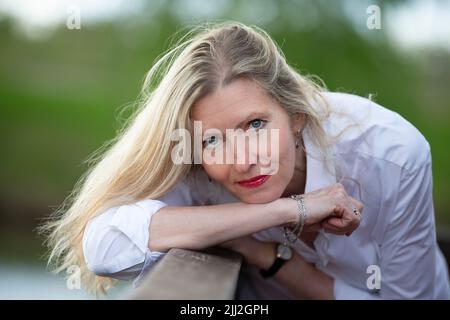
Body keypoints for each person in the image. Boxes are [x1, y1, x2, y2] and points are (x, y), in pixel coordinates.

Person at [42, 21, 450, 299]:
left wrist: (263, 254)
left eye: (255, 125)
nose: (243, 160)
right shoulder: (196, 165)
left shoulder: (391, 155)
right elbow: (104, 245)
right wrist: (288, 210)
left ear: (296, 115)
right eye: (215, 140)